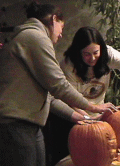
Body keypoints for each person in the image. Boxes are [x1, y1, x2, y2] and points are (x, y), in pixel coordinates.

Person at [0, 2, 116, 166]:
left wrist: (82, 118)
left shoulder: (33, 38)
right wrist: (94, 107)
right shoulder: (35, 37)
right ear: (54, 19)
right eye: (61, 28)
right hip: (15, 122)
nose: (61, 35)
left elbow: (51, 96)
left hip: (30, 123)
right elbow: (58, 85)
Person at [54, 26, 120, 166]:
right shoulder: (68, 65)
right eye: (86, 54)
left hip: (101, 114)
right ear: (78, 53)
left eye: (96, 52)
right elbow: (70, 100)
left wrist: (99, 116)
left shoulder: (108, 55)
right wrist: (88, 119)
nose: (93, 58)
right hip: (75, 117)